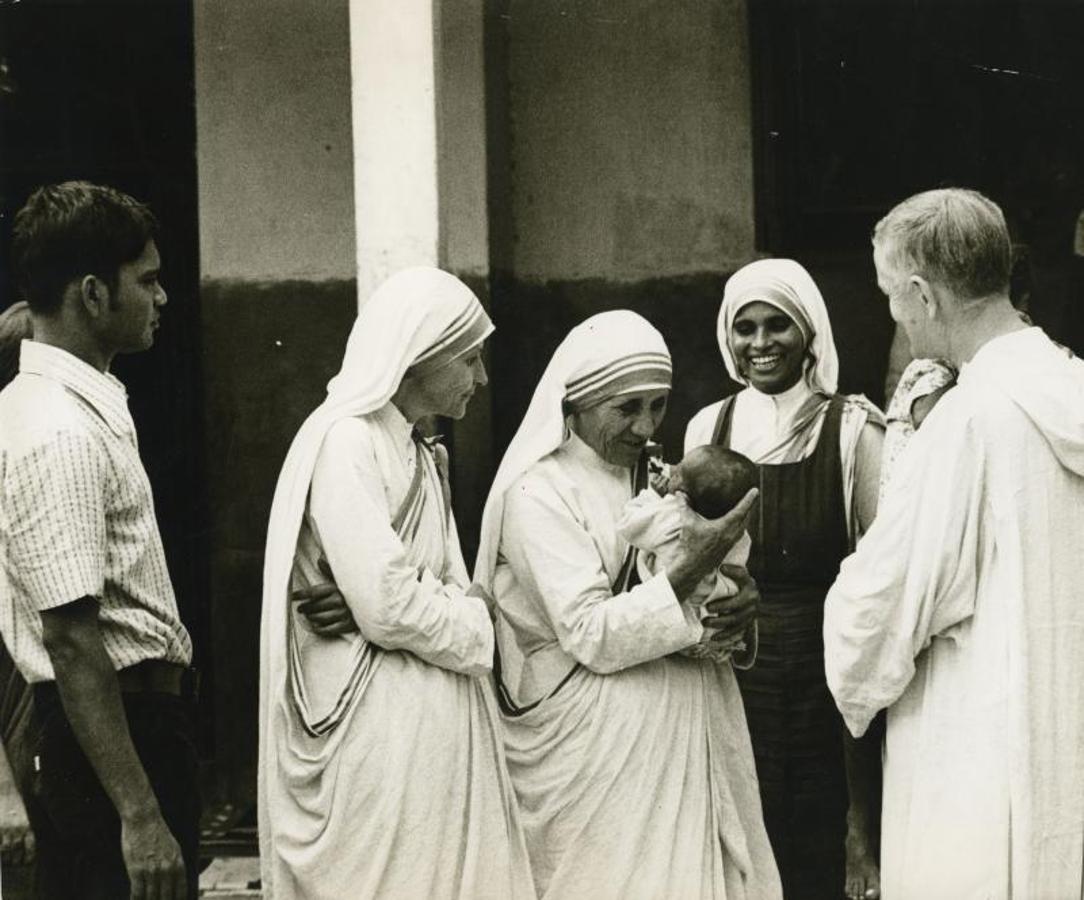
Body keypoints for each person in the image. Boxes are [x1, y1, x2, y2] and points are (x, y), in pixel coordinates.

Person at [824, 188, 1084, 898]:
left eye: (890, 297)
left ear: (922, 295)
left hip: (978, 747)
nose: (895, 317)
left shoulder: (966, 421)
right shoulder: (1073, 387)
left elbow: (873, 613)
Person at [474, 310, 782, 900]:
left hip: (691, 740)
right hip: (594, 765)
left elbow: (710, 593)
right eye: (626, 408)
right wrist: (699, 560)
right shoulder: (538, 492)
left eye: (658, 405)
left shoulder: (666, 480)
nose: (645, 426)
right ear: (578, 406)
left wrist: (740, 610)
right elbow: (591, 634)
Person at [258, 267, 535, 900]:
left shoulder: (420, 452)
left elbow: (447, 589)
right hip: (371, 728)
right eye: (469, 359)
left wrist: (421, 609)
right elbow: (392, 603)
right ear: (416, 358)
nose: (482, 378)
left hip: (427, 725)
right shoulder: (346, 441)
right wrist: (463, 619)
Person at [0, 182, 197, 900]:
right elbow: (73, 638)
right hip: (114, 737)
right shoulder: (58, 430)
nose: (162, 297)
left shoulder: (80, 407)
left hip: (126, 729)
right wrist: (140, 814)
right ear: (91, 293)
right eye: (146, 281)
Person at [684, 258, 885, 900]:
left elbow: (877, 562)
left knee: (825, 839)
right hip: (736, 667)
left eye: (779, 326)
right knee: (746, 833)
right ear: (727, 336)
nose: (761, 343)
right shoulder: (706, 428)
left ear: (809, 334)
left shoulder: (852, 427)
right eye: (746, 328)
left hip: (830, 666)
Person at [617, 444, 758, 664]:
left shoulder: (672, 517)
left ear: (682, 494)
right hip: (714, 624)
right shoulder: (735, 532)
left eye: (678, 470)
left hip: (673, 627)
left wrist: (654, 496)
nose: (671, 469)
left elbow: (629, 525)